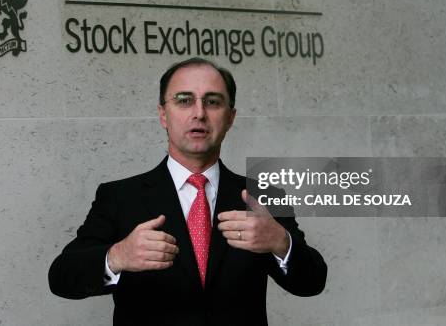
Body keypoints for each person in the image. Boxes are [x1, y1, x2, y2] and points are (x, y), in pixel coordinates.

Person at [48, 57, 327, 326]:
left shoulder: (263, 196)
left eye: (213, 101)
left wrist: (280, 242)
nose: (199, 113)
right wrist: (118, 256)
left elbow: (312, 282)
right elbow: (62, 278)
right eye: (184, 100)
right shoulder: (120, 197)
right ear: (163, 115)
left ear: (230, 118)